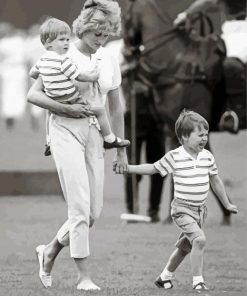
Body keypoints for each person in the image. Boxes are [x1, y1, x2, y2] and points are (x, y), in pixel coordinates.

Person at [27, 0, 128, 291]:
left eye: (107, 34)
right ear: (82, 28)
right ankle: (84, 277)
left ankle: (48, 251)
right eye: (97, 33)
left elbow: (115, 107)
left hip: (96, 134)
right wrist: (66, 110)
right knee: (80, 207)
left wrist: (120, 149)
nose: (102, 39)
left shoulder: (108, 58)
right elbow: (33, 94)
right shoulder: (62, 52)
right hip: (64, 130)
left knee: (93, 213)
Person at [114, 109, 238, 291]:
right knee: (199, 240)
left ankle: (165, 277)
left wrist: (226, 204)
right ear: (185, 137)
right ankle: (198, 282)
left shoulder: (207, 157)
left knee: (184, 248)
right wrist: (128, 168)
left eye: (206, 134)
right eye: (200, 135)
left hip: (199, 211)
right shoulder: (175, 156)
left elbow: (216, 181)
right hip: (182, 210)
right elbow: (153, 168)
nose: (204, 138)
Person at [29, 17, 130, 155]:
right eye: (62, 40)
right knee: (99, 110)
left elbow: (33, 72)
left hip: (56, 98)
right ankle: (109, 138)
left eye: (66, 39)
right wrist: (93, 76)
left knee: (50, 111)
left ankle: (48, 141)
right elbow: (79, 75)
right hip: (70, 102)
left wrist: (46, 76)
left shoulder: (43, 59)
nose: (66, 43)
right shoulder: (63, 59)